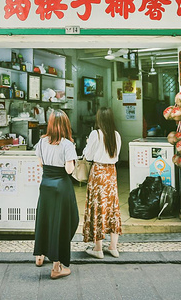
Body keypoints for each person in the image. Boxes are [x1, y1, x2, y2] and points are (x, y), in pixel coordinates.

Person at [33, 109, 79, 279]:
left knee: (44, 220)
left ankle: (40, 256)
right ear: (66, 125)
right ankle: (56, 268)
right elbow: (69, 170)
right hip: (61, 187)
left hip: (46, 185)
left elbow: (40, 163)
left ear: (50, 124)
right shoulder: (67, 144)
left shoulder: (42, 141)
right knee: (61, 224)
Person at [82, 107, 122, 258]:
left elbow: (88, 155)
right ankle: (113, 247)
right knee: (112, 207)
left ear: (98, 119)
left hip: (98, 172)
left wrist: (88, 143)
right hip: (111, 172)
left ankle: (98, 249)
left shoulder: (95, 134)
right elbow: (116, 155)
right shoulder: (116, 135)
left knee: (98, 207)